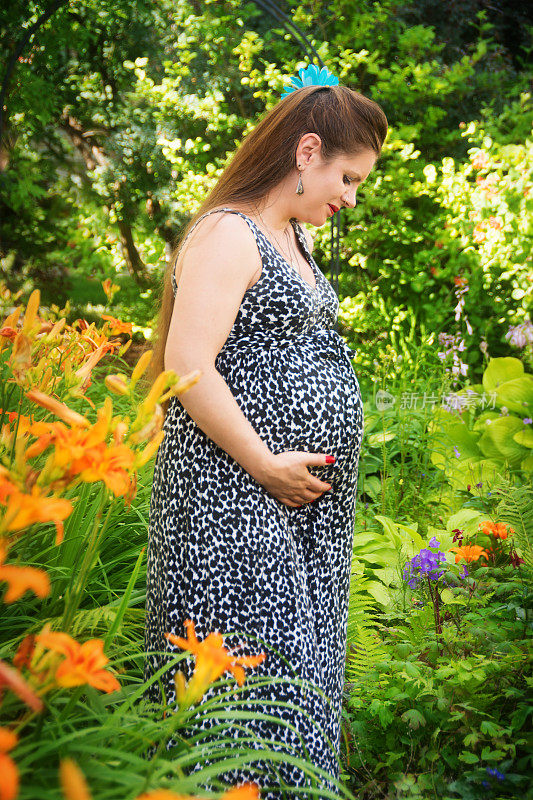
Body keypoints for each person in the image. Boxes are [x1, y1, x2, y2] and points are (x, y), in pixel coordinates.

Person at [143, 68, 388, 799]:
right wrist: (263, 464)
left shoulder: (288, 237)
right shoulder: (227, 232)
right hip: (232, 497)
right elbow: (187, 364)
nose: (349, 197)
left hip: (293, 506)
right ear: (306, 152)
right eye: (347, 178)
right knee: (250, 680)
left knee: (297, 675)